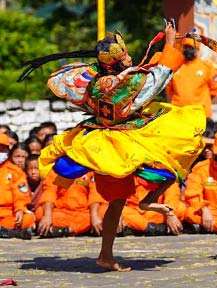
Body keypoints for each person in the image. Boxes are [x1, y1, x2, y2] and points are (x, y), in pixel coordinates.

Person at [22, 23, 205, 270]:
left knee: (118, 201)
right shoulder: (121, 84)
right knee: (179, 157)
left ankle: (106, 254)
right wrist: (170, 43)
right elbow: (156, 79)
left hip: (101, 141)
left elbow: (143, 71)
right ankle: (147, 202)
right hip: (124, 140)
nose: (130, 57)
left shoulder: (96, 79)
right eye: (125, 56)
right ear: (116, 63)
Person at [35, 170, 106, 237]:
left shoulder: (90, 169)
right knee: (40, 212)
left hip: (85, 212)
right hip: (61, 212)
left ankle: (63, 230)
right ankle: (84, 229)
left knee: (104, 211)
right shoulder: (56, 169)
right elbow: (49, 192)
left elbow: (95, 193)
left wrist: (94, 215)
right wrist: (47, 216)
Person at [166, 37, 217, 119]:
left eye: (192, 47)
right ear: (182, 48)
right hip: (179, 114)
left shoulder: (206, 67)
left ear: (198, 50)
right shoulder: (175, 66)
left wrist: (201, 101)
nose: (188, 50)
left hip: (200, 115)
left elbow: (215, 89)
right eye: (186, 47)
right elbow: (169, 90)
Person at [0, 132, 34, 239]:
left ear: (7, 151)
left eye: (2, 149)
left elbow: (20, 194)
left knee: (28, 218)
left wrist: (19, 209)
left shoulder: (15, 171)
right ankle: (12, 232)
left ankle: (6, 230)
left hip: (8, 213)